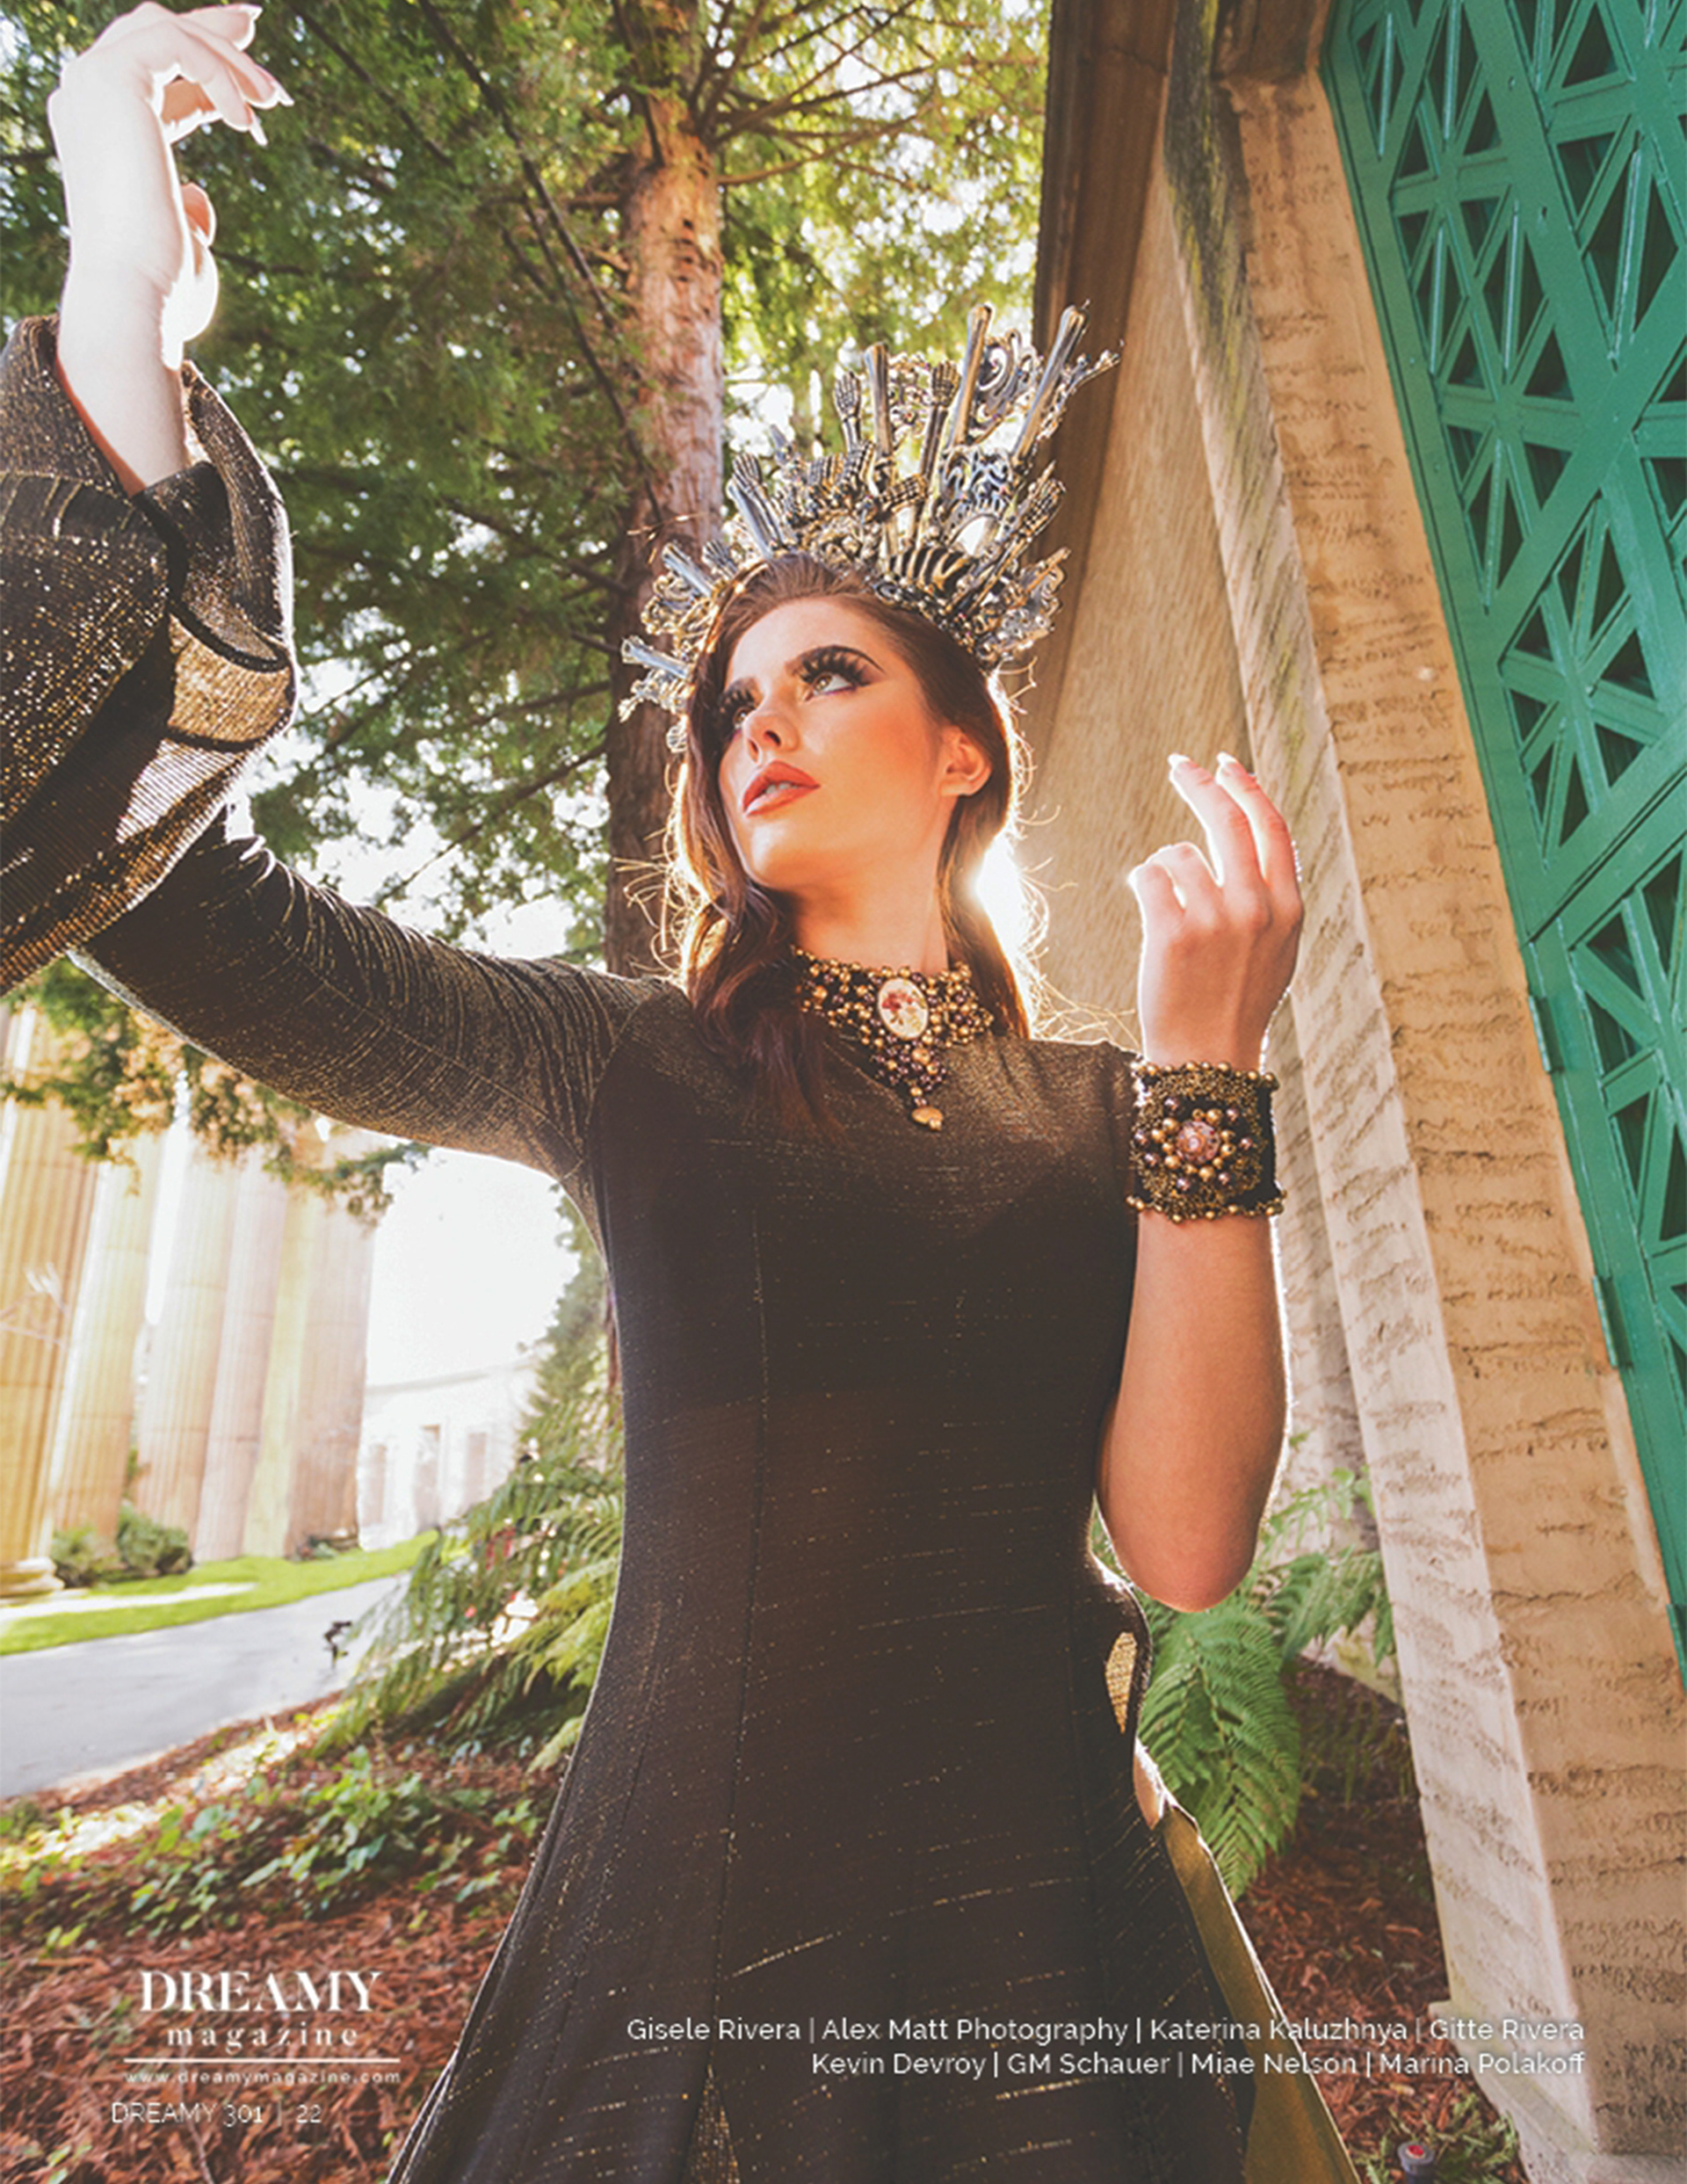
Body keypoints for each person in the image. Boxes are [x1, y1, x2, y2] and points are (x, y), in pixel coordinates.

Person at [0, 7, 1343, 2179]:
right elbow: (197, 907)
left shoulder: (1109, 1113)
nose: (755, 726)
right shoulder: (628, 1063)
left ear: (965, 750)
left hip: (1046, 1944)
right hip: (703, 1962)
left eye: (829, 674)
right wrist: (118, 296)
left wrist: (1209, 1068)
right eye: (728, 703)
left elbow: (1188, 1547)